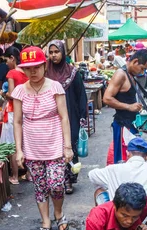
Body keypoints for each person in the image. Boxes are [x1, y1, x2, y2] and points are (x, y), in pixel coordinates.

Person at [12, 46, 73, 230]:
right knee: (40, 186)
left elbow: (64, 117)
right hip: (32, 147)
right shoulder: (20, 91)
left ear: (44, 65)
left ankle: (58, 213)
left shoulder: (55, 86)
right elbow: (18, 121)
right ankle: (45, 221)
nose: (33, 72)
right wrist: (19, 150)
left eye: (36, 67)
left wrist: (68, 146)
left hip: (54, 144)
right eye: (28, 68)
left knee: (56, 184)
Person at [47, 40, 87, 195]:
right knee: (54, 148)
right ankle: (56, 180)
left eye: (56, 52)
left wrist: (82, 117)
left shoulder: (72, 72)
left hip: (71, 115)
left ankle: (69, 179)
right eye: (51, 52)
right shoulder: (45, 73)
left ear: (63, 53)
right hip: (51, 116)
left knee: (69, 147)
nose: (53, 55)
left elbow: (80, 95)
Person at [103, 49, 147, 164]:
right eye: (142, 68)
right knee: (122, 160)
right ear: (135, 61)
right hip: (122, 126)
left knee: (130, 160)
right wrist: (129, 107)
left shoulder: (130, 75)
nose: (142, 72)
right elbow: (106, 98)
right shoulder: (121, 74)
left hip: (130, 125)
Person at [89, 136, 147, 204]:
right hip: (144, 215)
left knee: (99, 190)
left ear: (128, 153)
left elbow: (91, 175)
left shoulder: (113, 169)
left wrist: (111, 182)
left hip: (119, 214)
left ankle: (105, 221)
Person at [0, 46, 28, 185]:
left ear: (12, 58)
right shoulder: (27, 73)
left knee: (13, 144)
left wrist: (3, 94)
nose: (6, 64)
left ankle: (15, 176)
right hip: (26, 111)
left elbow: (12, 94)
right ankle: (28, 174)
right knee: (25, 143)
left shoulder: (12, 73)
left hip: (13, 111)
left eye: (7, 60)